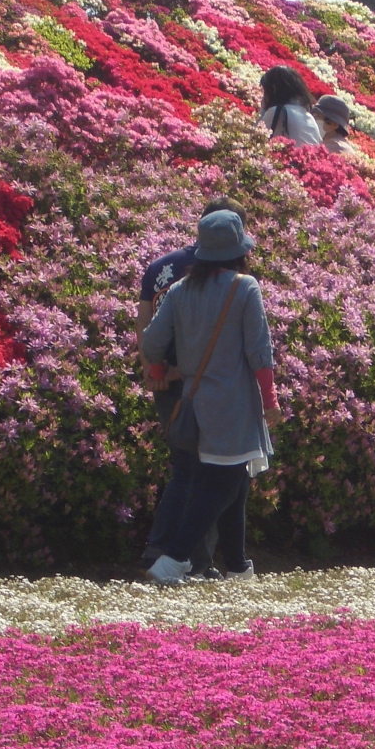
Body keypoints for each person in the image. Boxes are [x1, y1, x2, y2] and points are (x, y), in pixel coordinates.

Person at [141, 210, 280, 583]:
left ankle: (237, 565)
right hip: (235, 406)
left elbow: (152, 341)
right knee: (224, 484)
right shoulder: (245, 287)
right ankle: (174, 559)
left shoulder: (179, 290)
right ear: (238, 250)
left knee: (233, 482)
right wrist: (270, 401)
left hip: (194, 401)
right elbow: (259, 352)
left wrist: (158, 372)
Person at [258, 66, 323, 145]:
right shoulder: (307, 115)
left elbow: (254, 136)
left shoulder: (277, 111)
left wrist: (264, 107)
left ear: (274, 89)